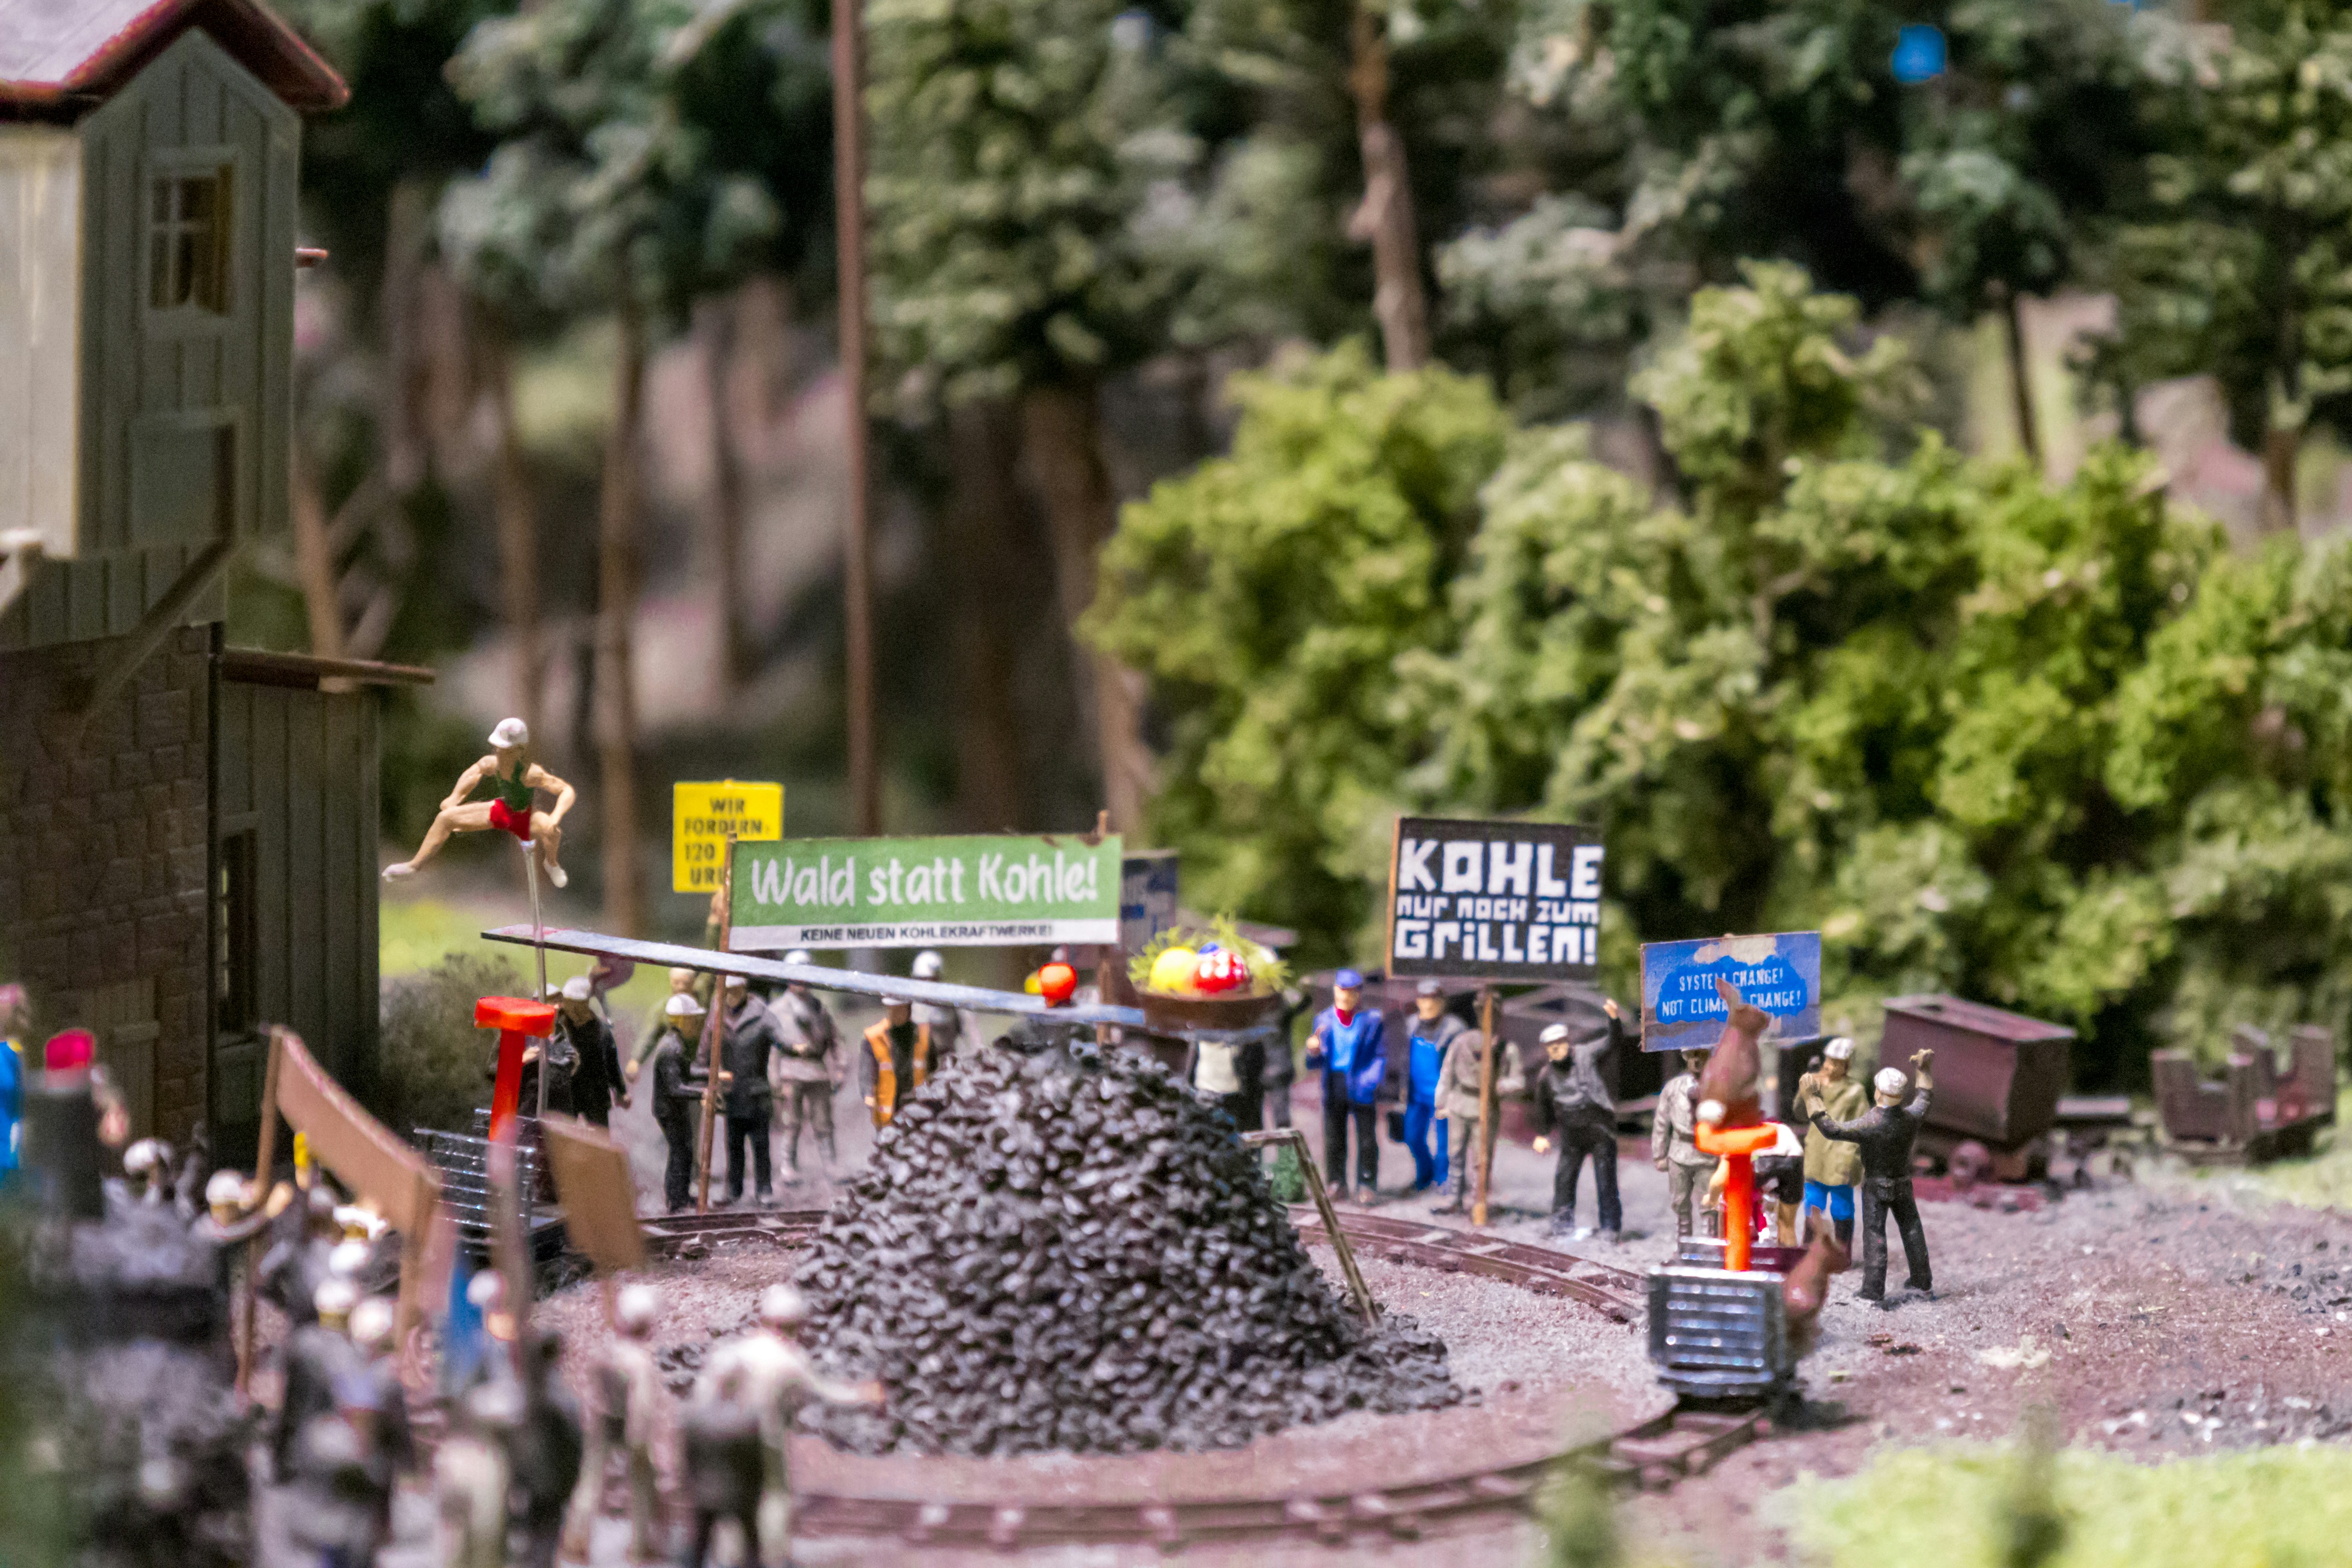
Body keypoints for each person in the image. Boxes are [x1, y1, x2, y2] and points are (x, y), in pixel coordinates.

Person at [696, 1285, 884, 1568]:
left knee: (736, 1497)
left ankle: (730, 1557)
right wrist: (864, 1393)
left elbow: (709, 1391)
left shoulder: (741, 1350)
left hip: (730, 1434)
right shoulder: (790, 1359)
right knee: (775, 1496)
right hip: (766, 1435)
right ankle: (775, 1556)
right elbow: (826, 1391)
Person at [383, 717, 575, 887]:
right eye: (498, 749)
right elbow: (474, 773)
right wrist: (455, 797)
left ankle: (552, 863)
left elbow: (566, 790)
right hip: (502, 810)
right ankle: (414, 865)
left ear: (519, 751)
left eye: (506, 751)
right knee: (445, 818)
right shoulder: (492, 764)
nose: (500, 754)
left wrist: (556, 816)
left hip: (525, 817)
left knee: (551, 830)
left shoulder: (531, 773)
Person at [1808, 1050, 1936, 1306]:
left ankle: (1873, 1290)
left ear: (1878, 1092)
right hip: (1903, 1183)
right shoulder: (1910, 1118)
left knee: (1875, 1235)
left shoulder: (1870, 1124)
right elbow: (1925, 1097)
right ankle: (1922, 1282)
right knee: (1912, 1230)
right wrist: (1923, 1070)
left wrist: (1813, 1098)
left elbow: (1832, 1130)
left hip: (1876, 1186)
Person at [562, 1282, 665, 1564]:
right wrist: (641, 1441)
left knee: (590, 1480)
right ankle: (641, 1543)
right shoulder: (640, 1363)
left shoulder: (605, 1354)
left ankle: (576, 1536)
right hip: (632, 1428)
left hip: (603, 1423)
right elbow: (642, 1407)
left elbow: (593, 1393)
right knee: (643, 1484)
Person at [1528, 1001, 1627, 1240]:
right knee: (1564, 1179)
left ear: (1567, 1043)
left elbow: (1611, 1042)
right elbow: (1543, 1108)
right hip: (1571, 1134)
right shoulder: (1545, 1077)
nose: (1556, 1050)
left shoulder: (1586, 1054)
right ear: (1546, 1050)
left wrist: (1614, 1020)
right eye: (1550, 1047)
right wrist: (1542, 1134)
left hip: (1599, 1128)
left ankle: (1610, 1228)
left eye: (1559, 1045)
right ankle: (1562, 1225)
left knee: (1605, 1180)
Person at [1304, 970, 1387, 1204]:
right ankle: (1336, 1182)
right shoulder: (1323, 1020)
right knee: (1334, 1137)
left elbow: (1381, 1055)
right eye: (1341, 991)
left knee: (1367, 1138)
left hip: (1361, 1083)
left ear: (1359, 994)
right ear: (1334, 991)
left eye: (1350, 993)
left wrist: (1370, 1081)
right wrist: (1313, 1050)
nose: (1345, 997)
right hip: (1334, 1083)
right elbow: (1314, 1061)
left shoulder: (1372, 1020)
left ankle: (1367, 1183)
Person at [1434, 1007, 1524, 1214]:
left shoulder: (1505, 1048)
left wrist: (1500, 1085)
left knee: (1481, 1159)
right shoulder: (1462, 1041)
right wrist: (1441, 1101)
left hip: (1486, 1109)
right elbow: (1448, 1071)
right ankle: (1453, 1197)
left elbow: (1518, 1080)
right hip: (1459, 1104)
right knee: (1455, 1154)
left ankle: (1479, 1200)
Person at [771, 951, 844, 1179]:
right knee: (790, 1123)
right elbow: (772, 1048)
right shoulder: (776, 1010)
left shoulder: (820, 1008)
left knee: (824, 1123)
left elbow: (836, 1040)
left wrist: (841, 1067)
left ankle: (830, 1164)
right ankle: (788, 1165)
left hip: (817, 1071)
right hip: (790, 1071)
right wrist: (773, 1078)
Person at [718, 977, 783, 1206]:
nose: (730, 996)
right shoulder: (717, 1017)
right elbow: (702, 1058)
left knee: (761, 1147)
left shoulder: (762, 1015)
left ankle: (764, 1189)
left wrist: (794, 1048)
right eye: (727, 992)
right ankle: (734, 1191)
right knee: (734, 1148)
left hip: (757, 1094)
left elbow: (781, 1039)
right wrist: (714, 1075)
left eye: (735, 991)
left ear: (744, 990)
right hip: (733, 1095)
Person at [648, 994, 716, 1212]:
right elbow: (676, 1088)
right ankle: (675, 1201)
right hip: (670, 1110)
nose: (696, 1024)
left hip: (674, 1109)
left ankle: (681, 1196)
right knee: (680, 1153)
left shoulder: (677, 1044)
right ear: (682, 1020)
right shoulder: (672, 1048)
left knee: (684, 1152)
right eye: (693, 1019)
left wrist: (712, 1073)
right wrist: (702, 1093)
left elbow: (687, 1072)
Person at [1795, 1037, 1866, 1248]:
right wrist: (1806, 1089)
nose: (1829, 1066)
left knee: (1842, 1206)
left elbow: (1861, 1128)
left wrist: (1851, 1162)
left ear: (1847, 1066)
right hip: (1817, 1152)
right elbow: (1800, 1114)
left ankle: (1842, 1251)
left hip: (1840, 1156)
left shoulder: (1856, 1091)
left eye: (1836, 1062)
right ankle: (1809, 1249)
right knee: (1812, 1203)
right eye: (1829, 1060)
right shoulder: (1816, 1083)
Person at [1402, 981, 1463, 1193]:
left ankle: (1445, 1180)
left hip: (1443, 1095)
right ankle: (1425, 1173)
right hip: (1416, 1094)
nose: (1428, 1004)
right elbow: (1402, 1059)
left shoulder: (1454, 1029)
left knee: (1445, 1143)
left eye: (1433, 999)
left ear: (1442, 1002)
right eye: (1424, 999)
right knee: (1412, 1136)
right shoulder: (1411, 1025)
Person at [1651, 1048, 1717, 1242]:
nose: (1697, 1060)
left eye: (1701, 1055)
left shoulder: (1717, 1086)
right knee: (1680, 1201)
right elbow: (1661, 1123)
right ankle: (1683, 1241)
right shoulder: (1673, 1088)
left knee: (1710, 1200)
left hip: (1708, 1153)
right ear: (1686, 1058)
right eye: (1692, 1056)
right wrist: (1659, 1154)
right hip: (1680, 1151)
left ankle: (1710, 1240)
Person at [553, 975, 624, 1129]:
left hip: (595, 1094)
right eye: (569, 1004)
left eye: (578, 1005)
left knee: (600, 1138)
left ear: (586, 1003)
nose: (573, 1009)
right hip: (569, 1092)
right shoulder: (560, 1027)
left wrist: (620, 1090)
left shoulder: (601, 1032)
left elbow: (611, 1061)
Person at [626, 967, 702, 1087]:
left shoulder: (702, 1004)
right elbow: (649, 1034)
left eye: (685, 983)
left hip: (699, 1064)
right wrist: (636, 1059)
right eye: (677, 983)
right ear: (671, 982)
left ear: (693, 983)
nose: (681, 987)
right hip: (676, 1065)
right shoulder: (664, 1008)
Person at [860, 998, 930, 1128]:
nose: (897, 1013)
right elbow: (866, 1070)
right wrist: (868, 1096)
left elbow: (933, 1065)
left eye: (902, 1009)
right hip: (887, 1105)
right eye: (893, 1009)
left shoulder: (922, 1033)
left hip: (917, 1101)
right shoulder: (875, 1036)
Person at [1186, 1031, 1265, 1133]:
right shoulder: (1235, 1029)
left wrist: (1188, 1081)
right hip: (1228, 1089)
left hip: (1208, 1087)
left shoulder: (1201, 1027)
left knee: (1211, 1132)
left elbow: (1193, 1053)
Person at [908, 950, 974, 1071]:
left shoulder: (950, 1003)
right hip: (920, 1066)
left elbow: (969, 1035)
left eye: (933, 979)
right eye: (923, 980)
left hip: (948, 1063)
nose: (928, 984)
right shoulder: (909, 1006)